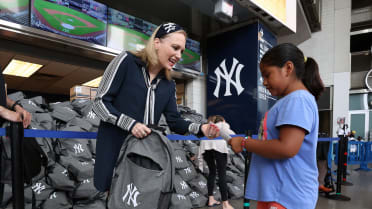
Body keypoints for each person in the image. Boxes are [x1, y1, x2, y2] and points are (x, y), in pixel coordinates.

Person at [92, 22, 219, 192]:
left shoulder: (168, 85)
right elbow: (99, 102)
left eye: (181, 51)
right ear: (157, 43)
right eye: (175, 47)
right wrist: (130, 124)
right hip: (114, 151)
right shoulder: (126, 61)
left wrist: (202, 128)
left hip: (144, 157)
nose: (178, 55)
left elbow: (175, 122)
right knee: (114, 198)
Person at [229, 43, 324, 209]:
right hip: (279, 192)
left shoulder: (298, 100)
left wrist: (245, 143)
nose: (264, 82)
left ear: (288, 68)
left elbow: (287, 148)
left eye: (267, 75)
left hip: (287, 195)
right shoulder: (291, 100)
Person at [198, 115, 234, 209]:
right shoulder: (222, 125)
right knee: (222, 174)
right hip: (219, 147)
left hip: (206, 148)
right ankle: (225, 204)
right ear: (222, 120)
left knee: (212, 172)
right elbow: (232, 135)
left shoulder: (208, 127)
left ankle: (211, 199)